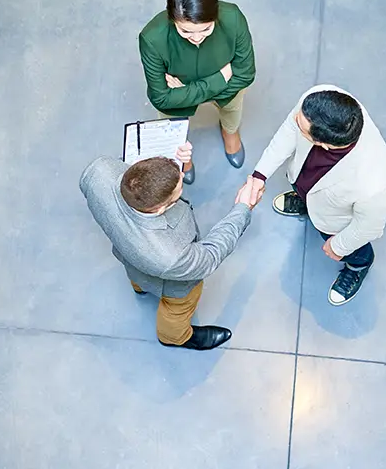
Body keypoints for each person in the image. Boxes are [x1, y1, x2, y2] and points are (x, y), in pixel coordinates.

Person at [80, 143, 256, 351]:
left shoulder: (98, 171)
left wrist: (177, 160)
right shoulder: (170, 256)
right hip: (171, 283)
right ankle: (174, 337)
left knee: (137, 273)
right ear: (161, 208)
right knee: (178, 307)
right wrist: (243, 208)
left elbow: (130, 172)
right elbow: (210, 254)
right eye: (178, 187)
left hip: (126, 254)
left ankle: (140, 287)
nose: (183, 177)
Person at [241, 86, 386, 306]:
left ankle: (358, 266)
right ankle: (306, 203)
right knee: (307, 193)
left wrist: (338, 246)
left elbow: (367, 227)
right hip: (308, 183)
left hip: (335, 221)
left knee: (357, 251)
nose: (295, 119)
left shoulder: (375, 183)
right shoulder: (318, 100)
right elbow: (288, 131)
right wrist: (260, 175)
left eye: (301, 126)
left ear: (322, 143)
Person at [138, 0, 256, 185]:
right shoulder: (152, 38)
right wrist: (220, 78)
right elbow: (161, 99)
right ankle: (184, 158)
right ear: (172, 20)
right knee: (173, 125)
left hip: (207, 91)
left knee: (232, 107)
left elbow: (246, 74)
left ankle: (230, 132)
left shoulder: (233, 18)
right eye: (185, 31)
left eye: (205, 29)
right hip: (224, 84)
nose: (196, 38)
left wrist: (184, 92)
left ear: (216, 17)